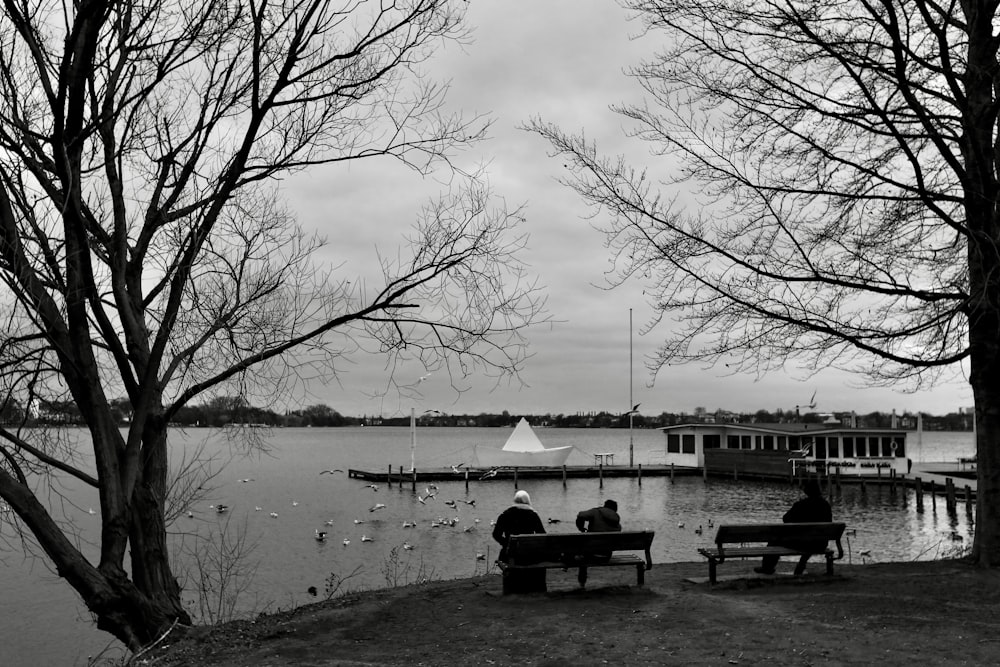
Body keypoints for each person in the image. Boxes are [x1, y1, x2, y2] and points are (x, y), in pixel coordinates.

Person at [754, 479, 833, 576]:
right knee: (810, 540)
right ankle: (801, 564)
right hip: (820, 543)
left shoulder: (801, 505)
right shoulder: (825, 505)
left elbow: (785, 518)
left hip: (802, 543)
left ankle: (767, 567)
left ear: (806, 491)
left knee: (774, 541)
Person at [492, 490, 546, 592]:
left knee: (508, 557)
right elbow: (542, 534)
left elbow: (496, 534)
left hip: (509, 554)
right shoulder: (533, 515)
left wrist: (506, 544)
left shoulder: (505, 515)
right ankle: (536, 588)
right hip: (530, 555)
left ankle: (512, 587)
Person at [574, 499, 622, 586]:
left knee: (581, 551)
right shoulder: (617, 523)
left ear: (604, 506)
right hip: (606, 555)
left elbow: (580, 515)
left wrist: (581, 527)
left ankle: (582, 582)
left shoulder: (596, 512)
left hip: (591, 554)